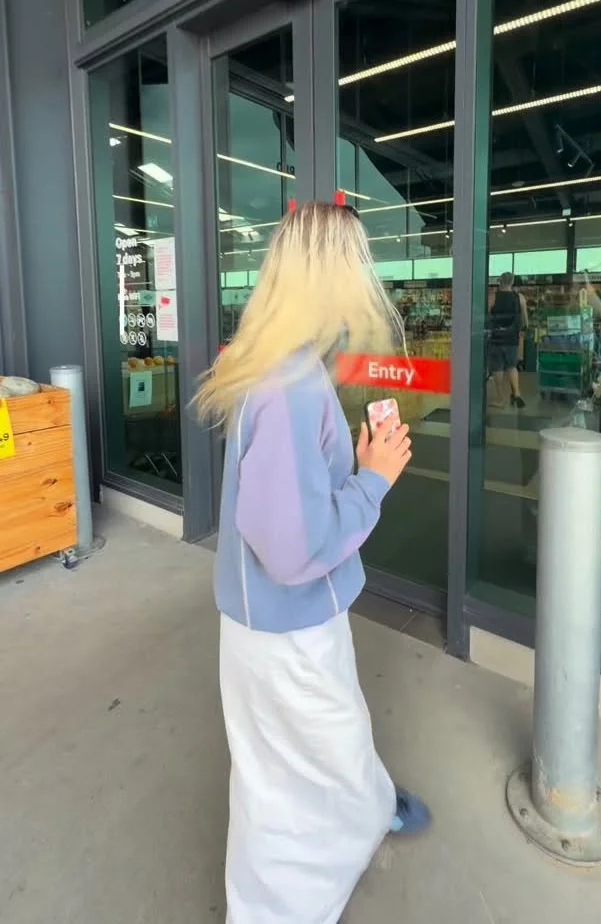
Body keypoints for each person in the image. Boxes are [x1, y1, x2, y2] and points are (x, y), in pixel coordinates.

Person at [195, 201, 430, 924]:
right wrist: (373, 481)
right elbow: (292, 550)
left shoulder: (263, 362)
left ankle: (367, 811)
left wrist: (347, 472)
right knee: (299, 772)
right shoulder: (293, 384)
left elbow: (278, 504)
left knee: (302, 757)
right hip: (289, 630)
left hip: (261, 624)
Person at [488, 271, 526, 408]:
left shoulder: (493, 297)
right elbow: (524, 319)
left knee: (497, 368)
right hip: (512, 337)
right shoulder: (519, 297)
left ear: (500, 281)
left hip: (496, 338)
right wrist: (522, 330)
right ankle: (517, 393)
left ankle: (500, 400)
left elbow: (487, 316)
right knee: (512, 366)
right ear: (512, 282)